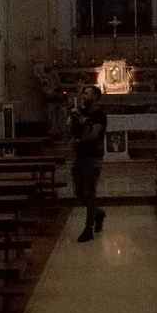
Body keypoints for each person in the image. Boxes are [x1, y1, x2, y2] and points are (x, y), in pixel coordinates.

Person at [69, 85, 107, 242]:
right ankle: (98, 213)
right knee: (78, 193)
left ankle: (88, 229)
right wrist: (73, 119)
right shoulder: (79, 112)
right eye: (83, 93)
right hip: (79, 155)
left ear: (96, 97)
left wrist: (83, 123)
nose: (84, 95)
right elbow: (72, 132)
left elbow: (93, 135)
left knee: (89, 193)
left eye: (87, 93)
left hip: (93, 157)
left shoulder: (100, 115)